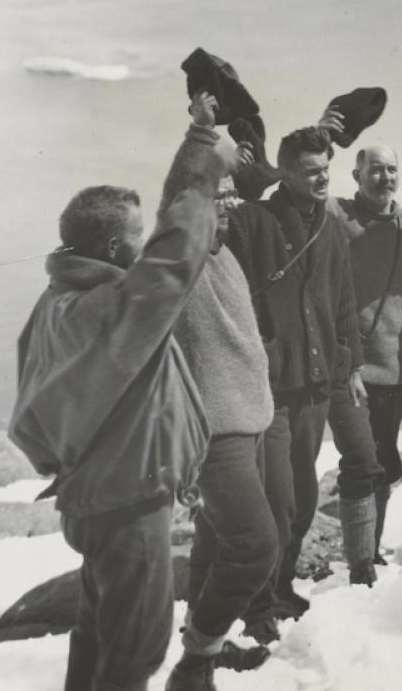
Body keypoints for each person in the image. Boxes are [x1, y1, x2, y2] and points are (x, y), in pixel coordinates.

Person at [11, 95, 232, 691]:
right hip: (128, 506)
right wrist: (209, 168)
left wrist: (199, 139)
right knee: (134, 652)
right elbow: (177, 255)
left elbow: (28, 406)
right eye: (136, 239)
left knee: (97, 634)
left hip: (93, 498)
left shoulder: (54, 303)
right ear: (113, 251)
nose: (144, 246)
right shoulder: (113, 308)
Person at [223, 122, 380, 636]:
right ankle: (258, 609)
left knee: (305, 497)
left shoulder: (331, 226)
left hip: (316, 384)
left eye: (326, 170)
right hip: (271, 388)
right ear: (285, 174)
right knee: (278, 502)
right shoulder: (253, 222)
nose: (321, 179)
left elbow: (343, 301)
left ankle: (282, 586)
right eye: (310, 171)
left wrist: (352, 364)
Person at [167, 168, 279, 690]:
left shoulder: (222, 255)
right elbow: (180, 192)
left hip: (246, 420)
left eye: (234, 197)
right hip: (216, 433)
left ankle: (205, 649)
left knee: (214, 545)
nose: (230, 206)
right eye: (220, 197)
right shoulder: (181, 258)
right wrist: (200, 134)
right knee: (256, 546)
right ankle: (192, 666)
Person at [329, 144, 402, 561]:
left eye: (392, 169)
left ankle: (368, 554)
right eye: (375, 170)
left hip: (394, 367)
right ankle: (359, 563)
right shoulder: (337, 218)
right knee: (361, 462)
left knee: (380, 463)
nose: (385, 177)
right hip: (348, 369)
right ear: (356, 175)